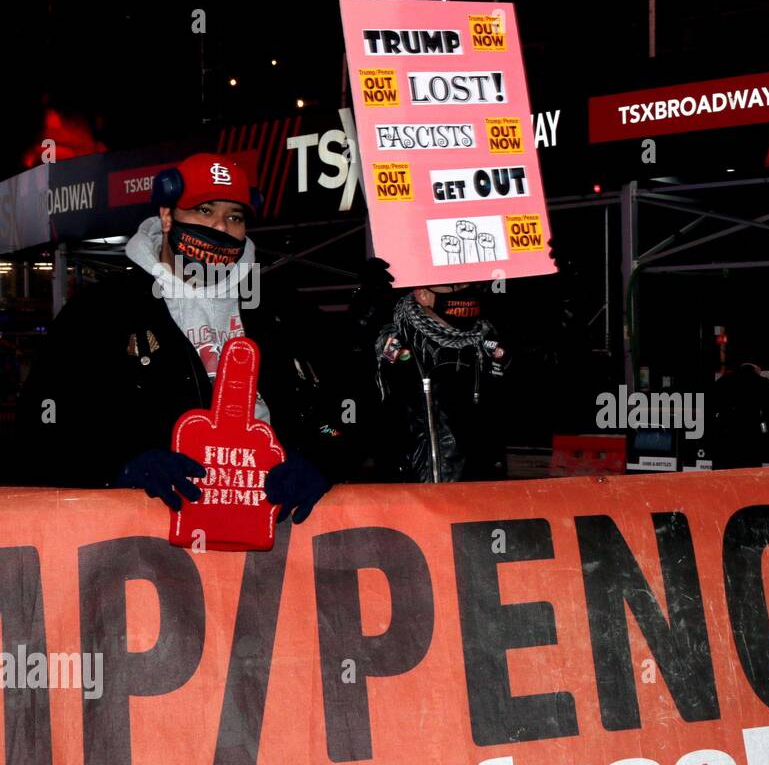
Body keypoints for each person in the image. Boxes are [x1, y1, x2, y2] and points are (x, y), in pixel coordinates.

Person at [16, 154, 336, 522]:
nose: (220, 227)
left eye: (234, 217)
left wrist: (319, 458)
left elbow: (345, 405)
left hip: (273, 523)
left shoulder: (279, 305)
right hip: (150, 535)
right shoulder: (104, 307)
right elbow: (44, 427)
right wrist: (121, 467)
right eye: (204, 211)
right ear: (167, 217)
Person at [371, 275, 510, 483]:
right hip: (410, 491)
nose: (464, 290)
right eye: (454, 285)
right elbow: (354, 403)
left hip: (477, 491)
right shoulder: (394, 343)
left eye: (466, 283)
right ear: (423, 295)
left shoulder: (489, 342)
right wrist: (365, 315)